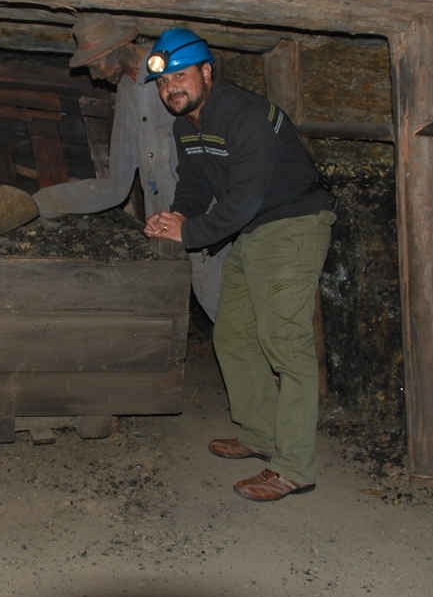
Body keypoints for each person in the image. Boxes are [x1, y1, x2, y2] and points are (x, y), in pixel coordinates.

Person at [143, 28, 335, 502]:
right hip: (253, 231)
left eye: (180, 77)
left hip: (292, 224)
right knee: (232, 334)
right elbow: (194, 181)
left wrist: (187, 235)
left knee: (285, 343)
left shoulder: (247, 116)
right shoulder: (186, 124)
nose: (172, 90)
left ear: (207, 73)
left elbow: (245, 199)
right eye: (164, 83)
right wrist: (178, 214)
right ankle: (260, 434)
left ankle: (294, 467)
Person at [33, 14, 228, 321]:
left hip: (206, 218)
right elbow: (117, 185)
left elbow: (220, 149)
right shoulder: (126, 89)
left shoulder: (175, 72)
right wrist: (38, 204)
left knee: (223, 308)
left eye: (96, 64)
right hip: (162, 226)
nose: (95, 75)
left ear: (117, 48)